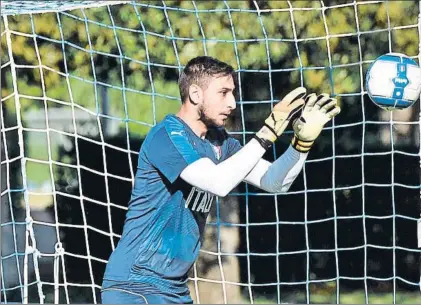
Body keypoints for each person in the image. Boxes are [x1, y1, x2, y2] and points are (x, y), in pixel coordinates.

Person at [101, 56, 340, 304]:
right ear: (195, 94)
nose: (233, 103)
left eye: (233, 93)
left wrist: (301, 145)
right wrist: (268, 132)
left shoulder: (220, 142)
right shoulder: (167, 135)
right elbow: (218, 182)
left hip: (174, 288)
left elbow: (275, 182)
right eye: (223, 92)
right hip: (135, 284)